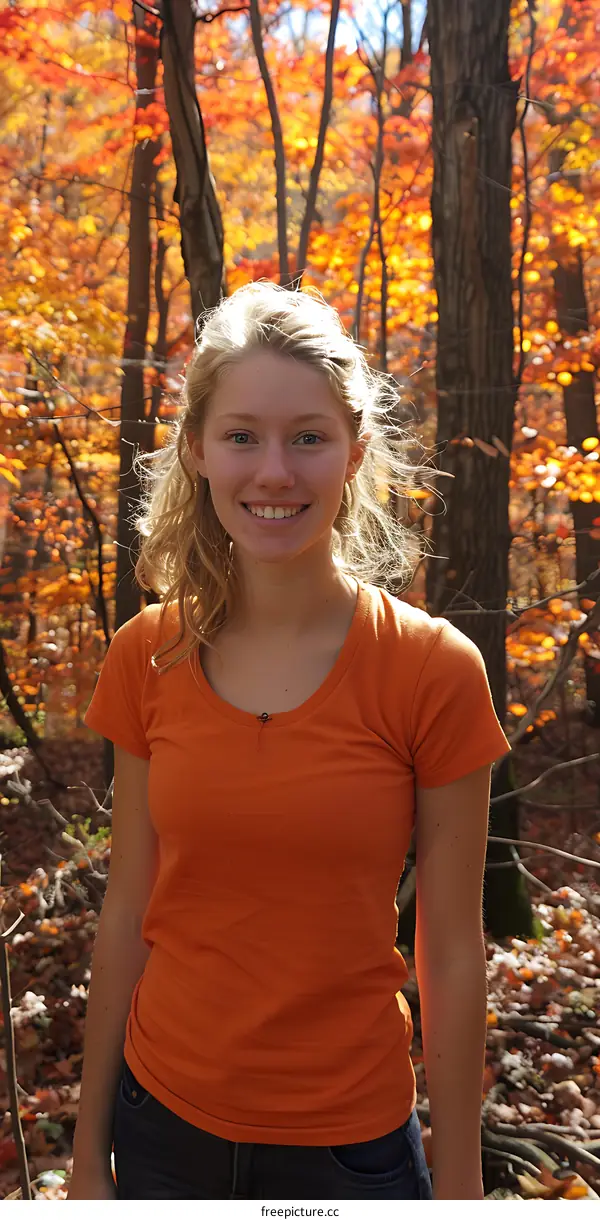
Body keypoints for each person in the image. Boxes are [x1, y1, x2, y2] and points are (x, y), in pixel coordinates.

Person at [68, 281, 510, 1202]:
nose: (274, 472)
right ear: (196, 449)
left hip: (350, 1145)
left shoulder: (432, 670)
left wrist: (462, 1188)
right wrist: (86, 1152)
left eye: (308, 438)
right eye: (242, 436)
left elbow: (452, 950)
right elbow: (128, 908)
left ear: (355, 451)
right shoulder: (146, 654)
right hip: (160, 1128)